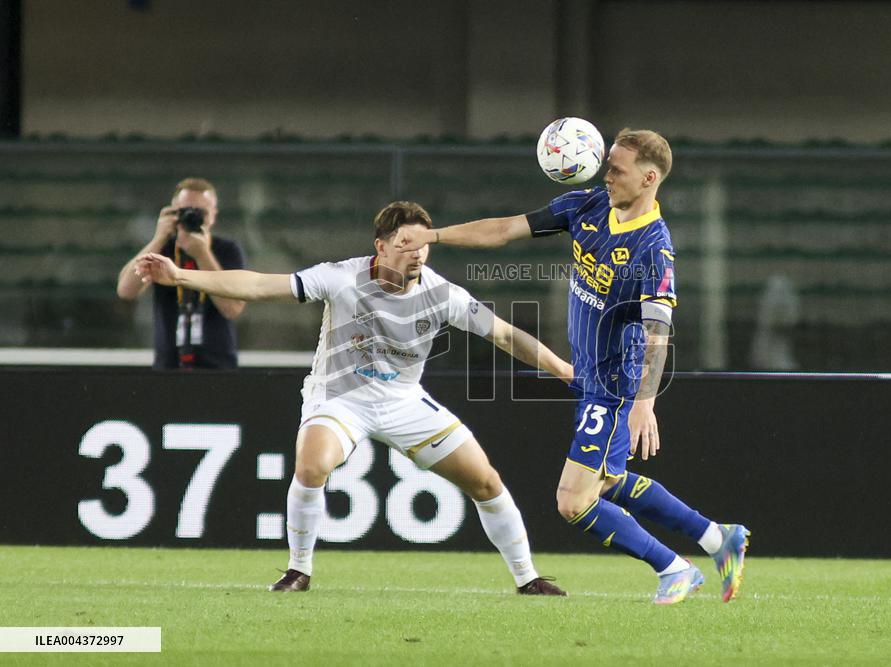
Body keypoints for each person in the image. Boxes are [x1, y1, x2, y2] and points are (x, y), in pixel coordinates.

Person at [136, 201, 572, 596]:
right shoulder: (341, 278)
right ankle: (298, 570)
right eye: (406, 243)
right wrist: (180, 275)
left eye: (423, 243)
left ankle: (528, 578)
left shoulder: (443, 295)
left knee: (485, 482)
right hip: (341, 398)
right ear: (380, 247)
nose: (417, 252)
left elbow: (506, 335)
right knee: (312, 464)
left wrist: (564, 370)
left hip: (404, 401)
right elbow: (258, 285)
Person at [395, 129, 750, 605]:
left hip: (613, 385)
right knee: (609, 478)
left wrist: (644, 401)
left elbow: (658, 331)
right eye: (607, 166)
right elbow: (504, 229)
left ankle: (675, 568)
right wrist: (434, 235)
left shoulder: (653, 247)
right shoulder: (585, 206)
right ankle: (715, 538)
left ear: (649, 178)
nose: (607, 176)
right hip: (589, 378)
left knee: (573, 501)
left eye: (617, 170)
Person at [117, 177, 246, 369]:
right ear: (171, 212)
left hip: (218, 367)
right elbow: (126, 290)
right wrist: (159, 238)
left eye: (200, 212)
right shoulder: (163, 250)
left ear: (213, 215)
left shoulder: (226, 250)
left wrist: (202, 254)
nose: (192, 217)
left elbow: (233, 308)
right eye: (185, 211)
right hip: (169, 365)